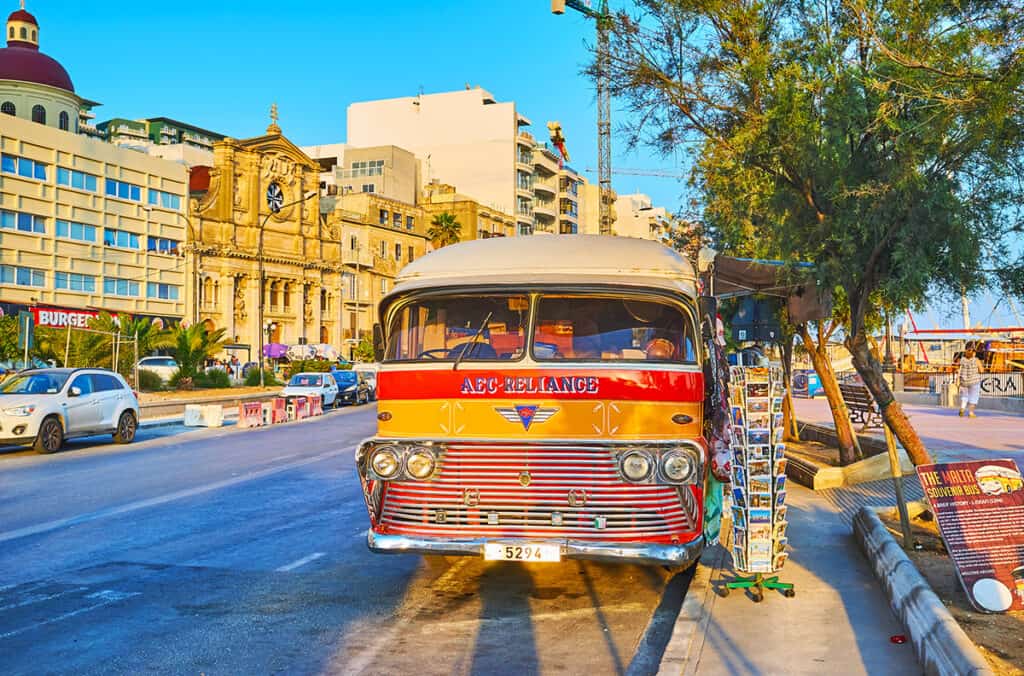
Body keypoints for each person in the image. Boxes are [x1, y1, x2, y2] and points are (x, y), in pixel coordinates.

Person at [957, 346, 984, 418]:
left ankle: (962, 408)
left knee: (964, 396)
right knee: (974, 397)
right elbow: (981, 370)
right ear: (974, 353)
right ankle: (971, 413)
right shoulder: (976, 360)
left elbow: (958, 370)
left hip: (963, 381)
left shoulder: (962, 360)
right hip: (974, 381)